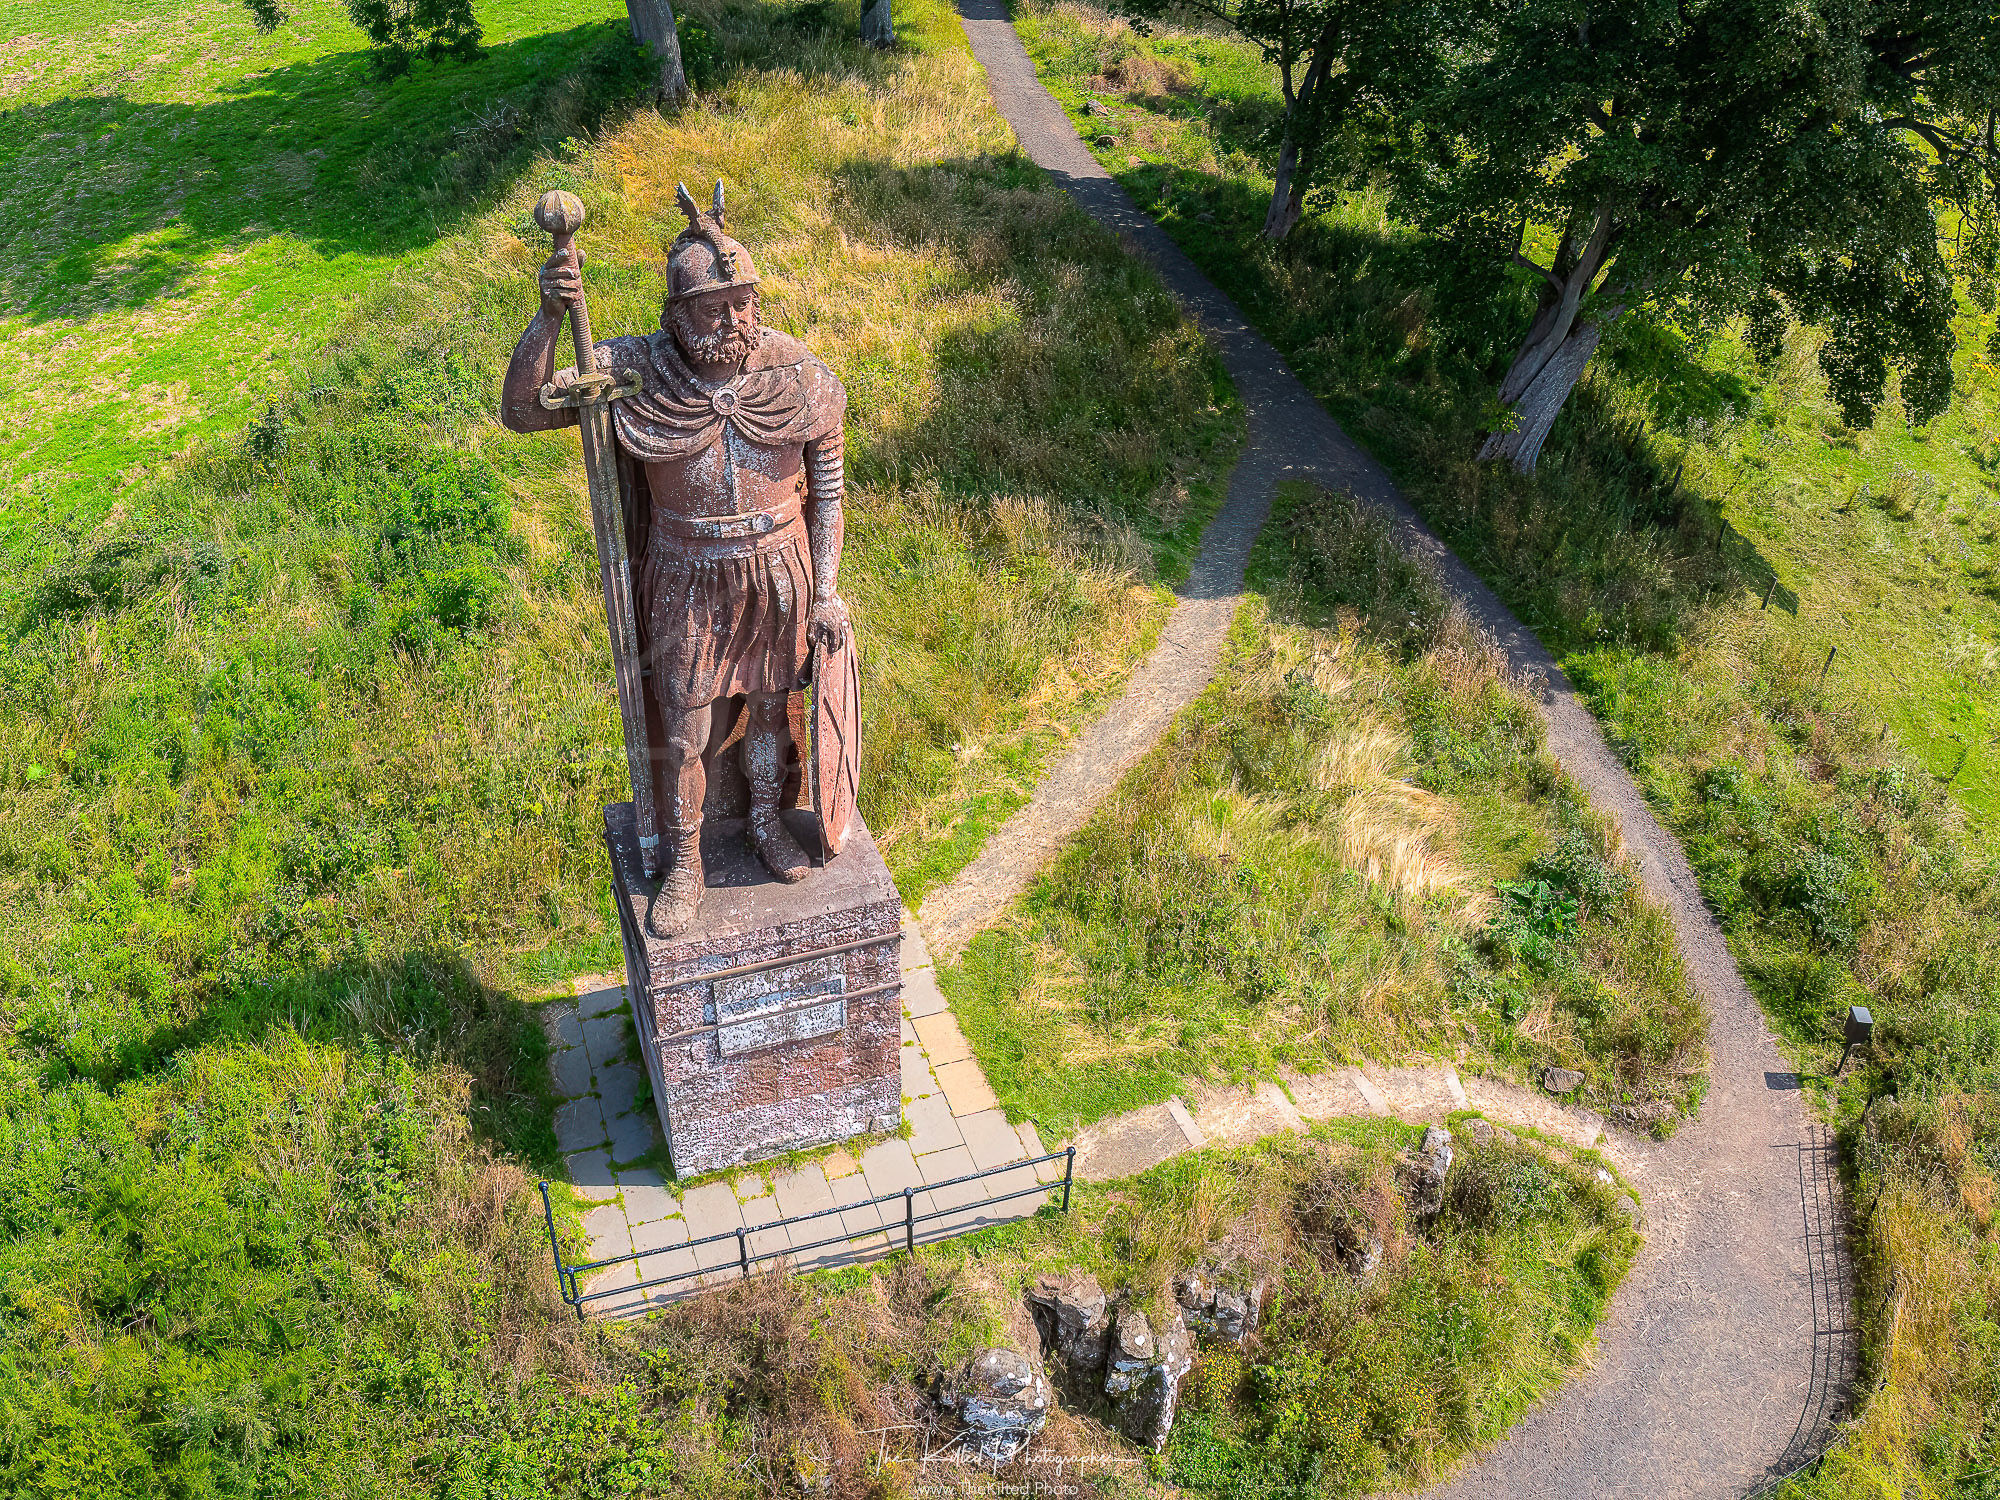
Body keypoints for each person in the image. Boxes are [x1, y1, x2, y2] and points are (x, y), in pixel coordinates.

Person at [502, 183, 850, 938]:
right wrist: (551, 317)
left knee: (769, 711)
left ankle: (764, 822)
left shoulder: (798, 376)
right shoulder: (636, 372)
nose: (734, 321)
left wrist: (827, 592)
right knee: (687, 728)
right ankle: (687, 859)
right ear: (676, 315)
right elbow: (524, 411)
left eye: (744, 302)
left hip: (778, 571)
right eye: (713, 308)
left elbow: (828, 492)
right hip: (688, 577)